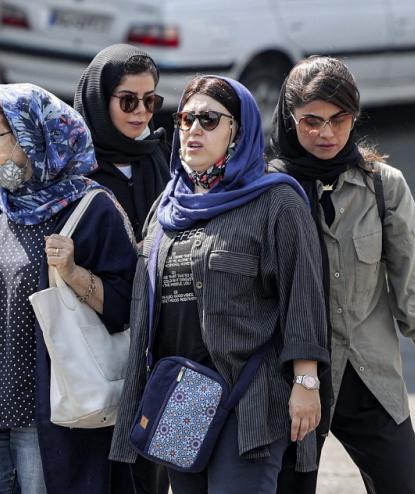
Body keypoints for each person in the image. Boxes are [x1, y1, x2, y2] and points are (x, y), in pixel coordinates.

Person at [109, 75, 331, 493]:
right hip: (180, 397)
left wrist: (307, 382)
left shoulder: (276, 202)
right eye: (185, 119)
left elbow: (302, 295)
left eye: (209, 119)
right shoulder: (167, 207)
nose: (193, 129)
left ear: (238, 131)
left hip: (248, 398)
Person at [270, 56, 415, 494]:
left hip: (369, 374)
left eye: (339, 119)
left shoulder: (383, 184)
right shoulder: (269, 190)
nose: (327, 133)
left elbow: (413, 275)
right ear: (288, 118)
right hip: (294, 383)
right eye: (310, 121)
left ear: (355, 117)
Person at [0, 83, 137, 493]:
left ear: (31, 137)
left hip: (53, 416)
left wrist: (73, 272)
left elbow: (125, 307)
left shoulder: (91, 208)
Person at [74, 43, 170, 243]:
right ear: (99, 99)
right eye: (128, 100)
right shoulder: (73, 166)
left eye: (150, 100)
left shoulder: (158, 153)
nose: (141, 110)